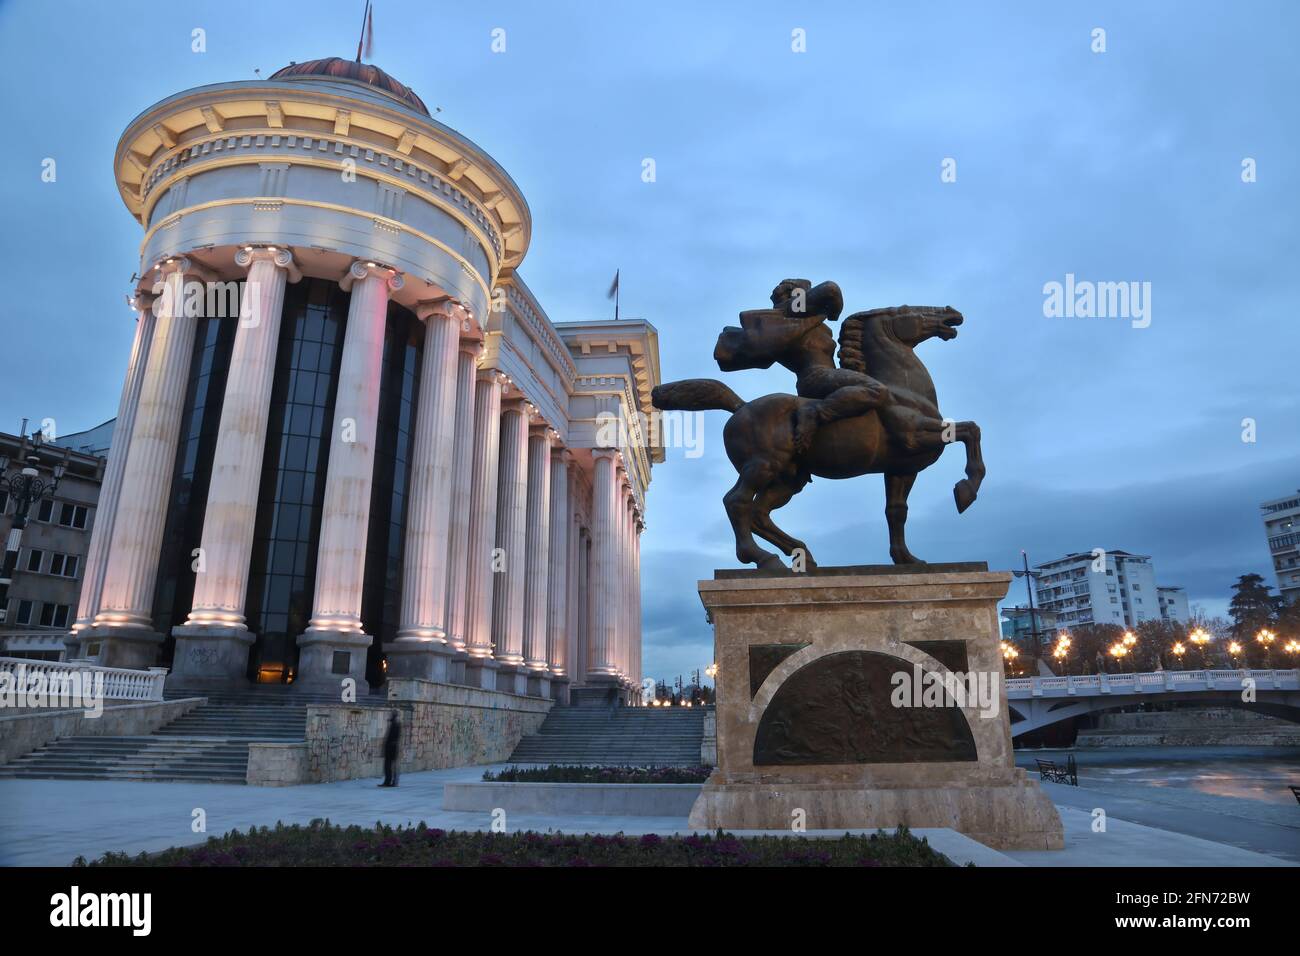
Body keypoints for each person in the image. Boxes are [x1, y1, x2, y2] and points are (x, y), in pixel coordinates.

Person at [379, 709, 401, 787]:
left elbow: (392, 737)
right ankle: (392, 781)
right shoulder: (395, 723)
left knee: (388, 766)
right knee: (391, 766)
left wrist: (387, 746)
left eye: (391, 714)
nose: (389, 716)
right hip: (392, 748)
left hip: (391, 749)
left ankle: (389, 781)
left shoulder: (395, 724)